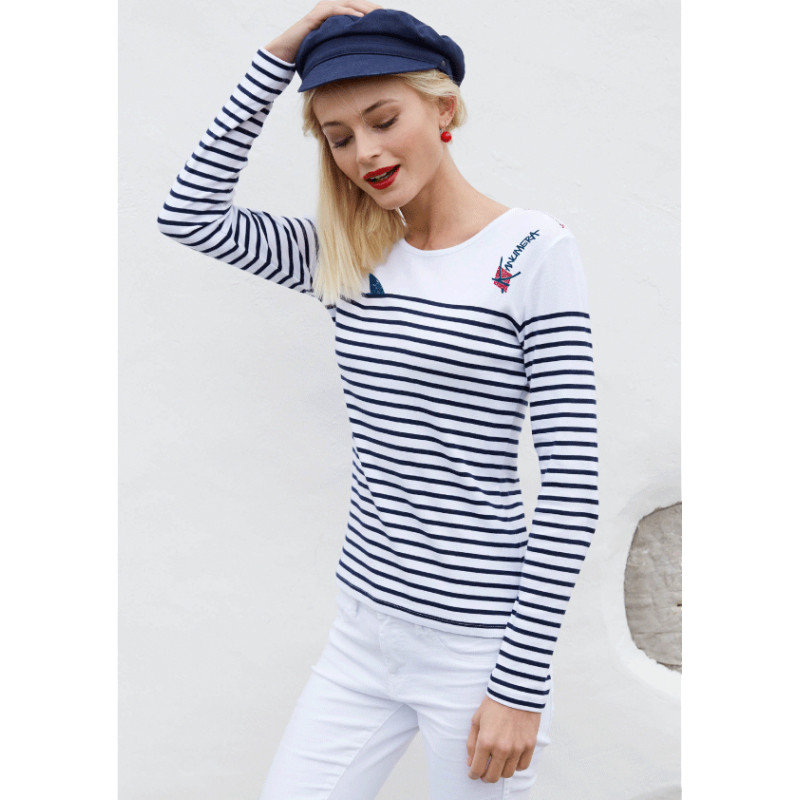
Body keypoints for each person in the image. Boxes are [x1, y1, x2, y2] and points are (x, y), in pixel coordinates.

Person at [157, 3, 599, 798]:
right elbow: (189, 213)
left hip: (477, 651)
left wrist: (519, 685)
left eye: (383, 119)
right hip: (363, 632)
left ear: (444, 107)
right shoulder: (348, 256)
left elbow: (572, 487)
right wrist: (277, 57)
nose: (365, 152)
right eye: (338, 137)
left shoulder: (533, 252)